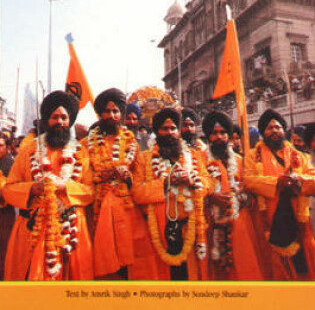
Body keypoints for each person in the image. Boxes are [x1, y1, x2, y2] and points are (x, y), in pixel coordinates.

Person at [3, 90, 94, 281]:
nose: (59, 122)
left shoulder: (81, 151)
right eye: (54, 117)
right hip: (33, 229)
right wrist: (32, 189)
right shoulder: (29, 149)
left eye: (64, 117)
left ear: (69, 121)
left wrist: (65, 188)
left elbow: (90, 191)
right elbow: (9, 189)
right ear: (46, 120)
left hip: (71, 229)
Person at [132, 107, 212, 280]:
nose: (169, 133)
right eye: (164, 129)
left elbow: (208, 183)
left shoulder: (193, 155)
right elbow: (137, 193)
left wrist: (192, 181)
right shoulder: (144, 158)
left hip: (189, 227)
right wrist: (166, 183)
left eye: (173, 128)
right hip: (159, 228)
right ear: (157, 132)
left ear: (179, 131)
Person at [244, 109, 315, 280]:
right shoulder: (253, 155)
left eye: (277, 127)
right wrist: (277, 182)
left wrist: (299, 180)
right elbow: (249, 180)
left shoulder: (299, 156)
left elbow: (313, 178)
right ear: (263, 132)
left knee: (303, 264)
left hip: (298, 219)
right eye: (269, 128)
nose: (274, 131)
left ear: (284, 130)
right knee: (274, 266)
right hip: (269, 218)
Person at [84, 88, 139, 279]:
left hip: (126, 211)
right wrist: (100, 177)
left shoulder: (132, 143)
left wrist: (127, 177)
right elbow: (82, 178)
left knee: (127, 267)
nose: (111, 115)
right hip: (97, 211)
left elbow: (138, 178)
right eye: (106, 111)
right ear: (100, 114)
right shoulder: (86, 143)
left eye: (116, 111)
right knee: (102, 265)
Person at [202, 111, 262, 280]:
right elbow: (195, 190)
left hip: (240, 222)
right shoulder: (199, 159)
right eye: (214, 133)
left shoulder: (239, 160)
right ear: (208, 136)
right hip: (211, 223)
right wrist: (211, 197)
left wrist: (241, 198)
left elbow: (250, 190)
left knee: (244, 267)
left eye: (223, 133)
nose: (219, 137)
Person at [0, 133, 16, 280]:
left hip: (4, 214)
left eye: (0, 146)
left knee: (3, 249)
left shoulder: (11, 164)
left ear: (8, 147)